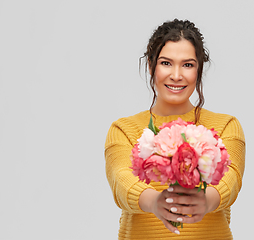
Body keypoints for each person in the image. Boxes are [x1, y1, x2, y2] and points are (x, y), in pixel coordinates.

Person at [105, 19, 245, 239]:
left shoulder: (226, 126)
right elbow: (121, 181)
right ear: (151, 66)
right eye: (166, 63)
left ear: (199, 70)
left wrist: (205, 201)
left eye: (187, 64)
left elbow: (231, 180)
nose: (176, 75)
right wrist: (155, 202)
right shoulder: (123, 130)